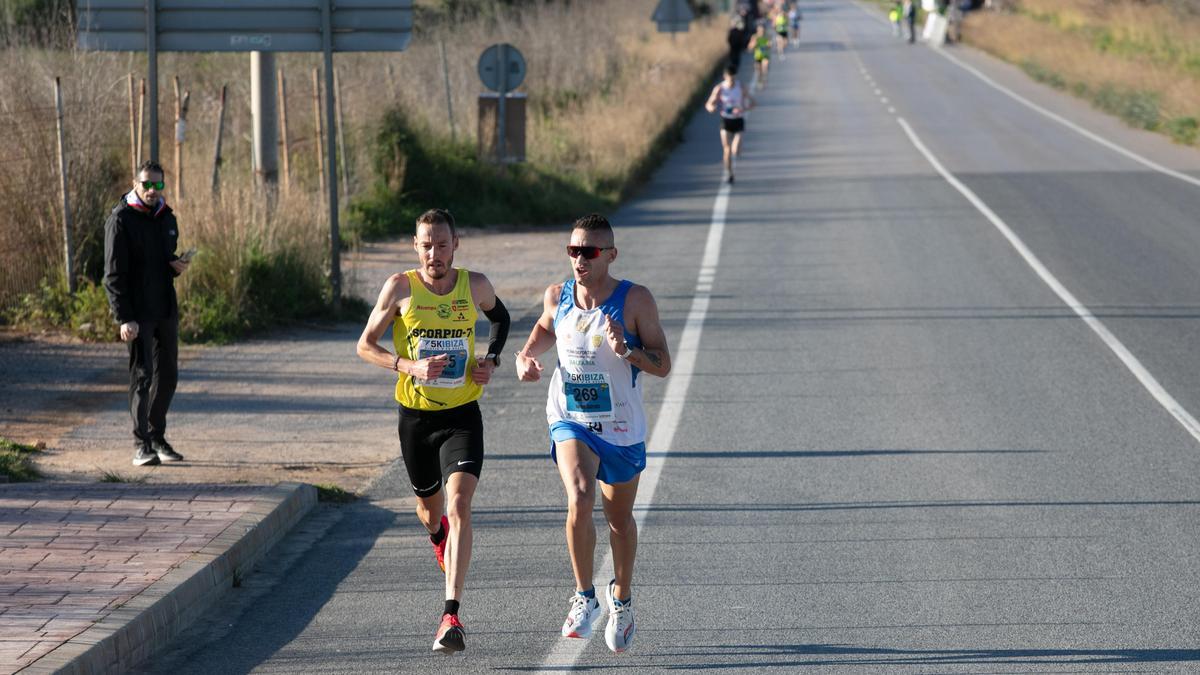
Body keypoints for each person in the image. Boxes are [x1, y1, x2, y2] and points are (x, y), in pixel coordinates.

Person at [356, 208, 511, 654]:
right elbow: (365, 345)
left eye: (442, 244)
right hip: (416, 418)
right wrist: (409, 365)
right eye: (426, 244)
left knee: (460, 503)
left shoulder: (474, 285)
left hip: (462, 415)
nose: (434, 253)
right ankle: (438, 537)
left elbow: (501, 320)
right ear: (415, 245)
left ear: (455, 245)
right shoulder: (399, 288)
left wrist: (491, 360)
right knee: (431, 511)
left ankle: (451, 616)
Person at [515, 214, 671, 653]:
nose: (579, 259)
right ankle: (584, 597)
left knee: (618, 521)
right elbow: (545, 329)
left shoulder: (635, 300)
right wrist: (525, 357)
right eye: (572, 250)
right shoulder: (557, 295)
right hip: (571, 418)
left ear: (610, 255)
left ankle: (620, 599)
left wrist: (630, 351)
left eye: (589, 251)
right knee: (580, 495)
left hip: (621, 428)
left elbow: (664, 365)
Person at [103, 160, 189, 467]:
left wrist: (175, 266)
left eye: (158, 184)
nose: (152, 190)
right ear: (135, 183)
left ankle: (156, 436)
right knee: (142, 377)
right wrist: (123, 317)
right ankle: (141, 445)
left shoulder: (167, 217)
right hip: (137, 313)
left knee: (168, 377)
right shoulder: (121, 220)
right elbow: (112, 275)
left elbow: (163, 261)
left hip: (165, 308)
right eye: (146, 184)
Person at [705, 64, 755, 185]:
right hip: (726, 121)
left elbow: (753, 103)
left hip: (738, 120)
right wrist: (711, 108)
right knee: (727, 149)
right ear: (725, 77)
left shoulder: (740, 87)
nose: (731, 81)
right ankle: (730, 173)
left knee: (735, 150)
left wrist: (743, 109)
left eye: (733, 78)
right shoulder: (720, 89)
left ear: (735, 77)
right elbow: (709, 104)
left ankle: (738, 149)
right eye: (729, 79)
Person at [749, 22, 771, 90]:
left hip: (765, 56)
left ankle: (764, 79)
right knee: (758, 71)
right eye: (760, 30)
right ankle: (759, 81)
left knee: (765, 66)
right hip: (758, 56)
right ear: (757, 30)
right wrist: (754, 44)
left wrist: (768, 45)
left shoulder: (767, 36)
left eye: (762, 30)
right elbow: (750, 48)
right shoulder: (754, 37)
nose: (761, 32)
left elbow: (770, 45)